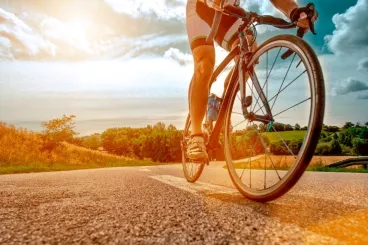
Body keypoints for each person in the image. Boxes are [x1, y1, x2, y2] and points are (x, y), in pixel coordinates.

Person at [185, 0, 318, 162]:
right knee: (205, 64)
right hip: (202, 7)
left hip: (228, 11)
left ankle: (222, 106)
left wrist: (295, 12)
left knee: (249, 53)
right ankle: (196, 135)